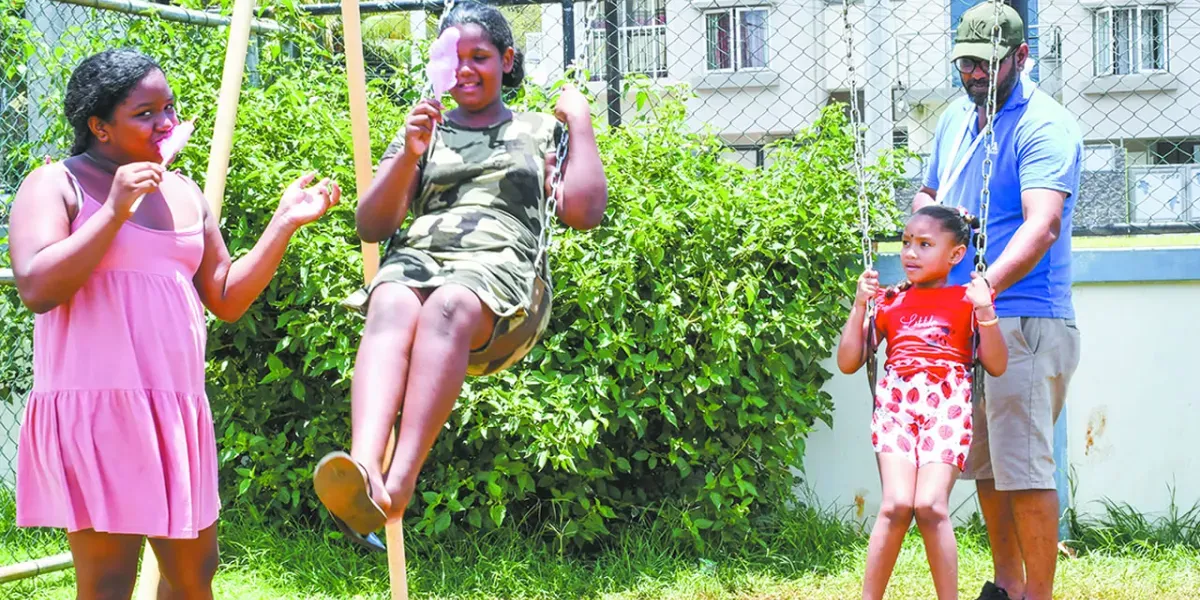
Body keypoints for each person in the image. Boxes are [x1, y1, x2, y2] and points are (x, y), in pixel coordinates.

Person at [8, 49, 339, 598]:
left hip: (175, 411)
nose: (166, 122)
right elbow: (38, 288)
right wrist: (114, 210)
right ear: (99, 126)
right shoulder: (55, 185)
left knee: (193, 576)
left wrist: (283, 223)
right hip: (99, 410)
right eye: (145, 112)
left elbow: (225, 297)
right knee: (110, 579)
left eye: (169, 108)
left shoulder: (186, 194)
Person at [313, 0, 608, 551]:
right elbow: (371, 226)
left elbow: (585, 213)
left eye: (481, 56)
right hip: (419, 262)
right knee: (392, 300)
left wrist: (582, 120)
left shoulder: (539, 129)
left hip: (503, 284)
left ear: (507, 60)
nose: (466, 69)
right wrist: (407, 153)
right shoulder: (426, 129)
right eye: (455, 57)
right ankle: (364, 470)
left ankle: (397, 487)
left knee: (448, 302)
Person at [912, 2, 1084, 599]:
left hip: (1024, 316)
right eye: (965, 63)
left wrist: (987, 284)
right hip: (965, 319)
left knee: (1025, 468)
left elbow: (1043, 224)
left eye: (988, 63)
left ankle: (1037, 595)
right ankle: (1007, 587)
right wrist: (922, 242)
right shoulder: (957, 118)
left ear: (1021, 56)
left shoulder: (1044, 124)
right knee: (984, 464)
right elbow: (931, 193)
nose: (975, 74)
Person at [839, 206, 1008, 600]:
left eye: (924, 244)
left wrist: (985, 308)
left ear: (956, 255)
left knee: (930, 506)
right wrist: (860, 305)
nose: (910, 253)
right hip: (897, 406)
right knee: (896, 504)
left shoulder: (968, 300)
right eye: (906, 243)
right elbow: (849, 361)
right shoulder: (890, 301)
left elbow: (997, 365)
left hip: (946, 408)